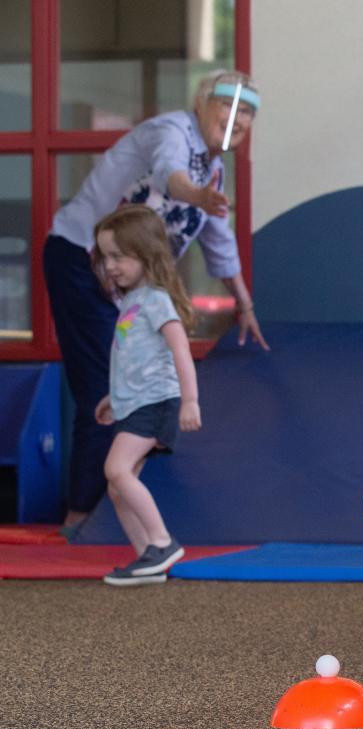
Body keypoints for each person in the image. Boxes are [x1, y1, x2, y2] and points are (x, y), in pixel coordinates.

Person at [44, 69, 268, 530]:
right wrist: (198, 196)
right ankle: (80, 519)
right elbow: (171, 177)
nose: (237, 118)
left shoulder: (214, 169)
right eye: (229, 105)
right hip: (82, 260)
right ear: (203, 104)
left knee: (136, 391)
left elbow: (218, 240)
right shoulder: (171, 131)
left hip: (128, 288)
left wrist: (243, 305)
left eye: (247, 112)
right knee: (105, 390)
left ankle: (113, 512)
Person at [90, 206, 201, 586]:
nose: (110, 266)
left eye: (119, 256)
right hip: (135, 404)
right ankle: (147, 558)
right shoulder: (131, 302)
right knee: (117, 486)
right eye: (106, 257)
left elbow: (179, 349)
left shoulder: (155, 300)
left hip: (157, 404)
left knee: (116, 469)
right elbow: (134, 360)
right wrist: (113, 398)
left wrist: (190, 400)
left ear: (145, 254)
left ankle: (161, 542)